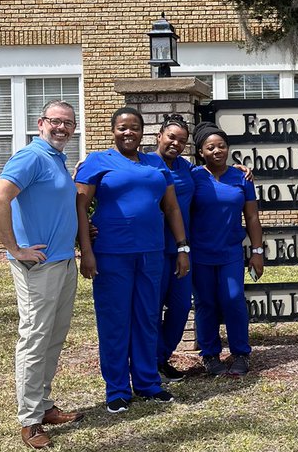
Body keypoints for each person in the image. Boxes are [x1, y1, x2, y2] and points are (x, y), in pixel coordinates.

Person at [75, 107, 190, 414]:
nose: (129, 133)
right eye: (123, 128)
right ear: (113, 130)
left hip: (151, 253)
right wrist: (86, 250)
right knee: (115, 320)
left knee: (147, 317)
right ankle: (116, 389)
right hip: (112, 254)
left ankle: (148, 383)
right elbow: (79, 205)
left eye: (134, 128)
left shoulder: (155, 163)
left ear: (143, 132)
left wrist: (182, 247)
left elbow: (172, 208)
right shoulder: (97, 161)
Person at [0, 100, 84, 450]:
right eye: (56, 122)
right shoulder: (30, 157)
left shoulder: (55, 159)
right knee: (34, 338)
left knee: (53, 337)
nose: (62, 128)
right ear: (41, 123)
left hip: (62, 262)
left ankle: (43, 405)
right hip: (37, 266)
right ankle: (29, 420)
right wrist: (16, 249)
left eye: (68, 124)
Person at [190, 122, 265, 376]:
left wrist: (257, 252)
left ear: (228, 149)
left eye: (221, 146)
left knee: (233, 300)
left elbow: (252, 218)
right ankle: (210, 356)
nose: (217, 151)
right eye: (210, 147)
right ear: (201, 152)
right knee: (206, 303)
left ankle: (241, 353)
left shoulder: (241, 177)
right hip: (200, 253)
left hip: (230, 252)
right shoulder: (194, 176)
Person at [144, 114, 196, 382]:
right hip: (152, 250)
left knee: (179, 308)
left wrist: (238, 169)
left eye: (182, 140)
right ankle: (149, 364)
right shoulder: (144, 163)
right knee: (151, 309)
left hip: (181, 250)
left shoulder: (186, 168)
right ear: (159, 137)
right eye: (171, 137)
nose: (176, 143)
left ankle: (160, 357)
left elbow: (211, 175)